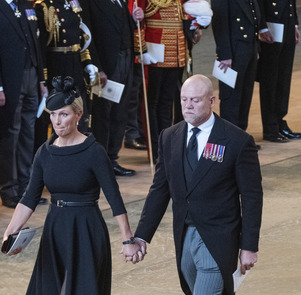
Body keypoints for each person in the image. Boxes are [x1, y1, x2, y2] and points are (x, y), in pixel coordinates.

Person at [3, 76, 143, 295]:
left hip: (86, 233)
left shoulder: (93, 151)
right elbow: (29, 197)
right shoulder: (45, 152)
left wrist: (127, 239)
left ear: (77, 114)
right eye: (53, 116)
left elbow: (113, 196)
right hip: (56, 232)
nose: (58, 121)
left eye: (64, 115)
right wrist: (10, 233)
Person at [133, 74, 263, 295]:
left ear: (212, 101)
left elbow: (251, 196)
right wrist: (142, 235)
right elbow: (160, 189)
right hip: (186, 239)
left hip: (219, 241)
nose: (188, 106)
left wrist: (249, 246)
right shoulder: (170, 137)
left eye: (195, 100)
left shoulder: (236, 141)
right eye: (184, 100)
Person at [0, 0, 47, 208]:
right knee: (10, 134)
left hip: (31, 76)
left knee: (28, 133)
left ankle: (27, 188)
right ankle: (8, 188)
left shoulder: (26, 5)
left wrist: (42, 78)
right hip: (8, 81)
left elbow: (37, 43)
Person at [138, 0, 206, 162]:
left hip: (176, 53)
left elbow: (184, 19)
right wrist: (140, 48)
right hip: (155, 53)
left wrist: (195, 30)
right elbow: (138, 23)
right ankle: (156, 150)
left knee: (167, 102)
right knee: (152, 103)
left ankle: (167, 145)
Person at [83, 0, 144, 177]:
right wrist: (97, 67)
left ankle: (112, 158)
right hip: (107, 66)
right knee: (104, 115)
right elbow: (88, 36)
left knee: (120, 113)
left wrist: (134, 19)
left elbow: (124, 26)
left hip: (125, 60)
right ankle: (100, 161)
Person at [33, 0, 98, 142]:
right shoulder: (43, 7)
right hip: (57, 66)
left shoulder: (73, 3)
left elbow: (80, 37)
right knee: (59, 115)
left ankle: (78, 149)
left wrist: (87, 62)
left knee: (79, 113)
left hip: (75, 64)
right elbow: (40, 48)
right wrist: (42, 79)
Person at [212, 0, 264, 132]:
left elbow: (253, 18)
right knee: (231, 97)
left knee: (246, 94)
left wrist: (255, 47)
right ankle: (230, 137)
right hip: (232, 51)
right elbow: (220, 23)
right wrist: (224, 54)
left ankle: (241, 135)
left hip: (249, 47)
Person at [257, 0, 301, 143]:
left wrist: (294, 23)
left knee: (284, 76)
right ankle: (271, 127)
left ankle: (280, 120)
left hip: (286, 21)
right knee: (270, 79)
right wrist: (262, 27)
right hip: (271, 24)